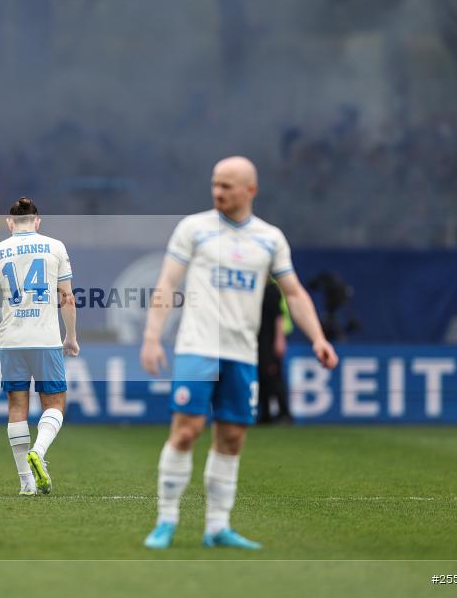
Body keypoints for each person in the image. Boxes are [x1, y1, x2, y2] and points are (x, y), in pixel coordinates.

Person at [140, 156, 338, 550]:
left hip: (242, 353)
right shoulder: (193, 229)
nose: (218, 191)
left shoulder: (269, 238)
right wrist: (151, 336)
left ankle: (217, 527)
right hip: (198, 346)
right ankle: (166, 521)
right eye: (215, 183)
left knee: (231, 437)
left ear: (251, 190)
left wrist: (317, 337)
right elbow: (166, 283)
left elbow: (294, 292)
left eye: (227, 185)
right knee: (186, 431)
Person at [0, 197, 79, 496]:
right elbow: (67, 298)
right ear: (38, 221)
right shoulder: (55, 246)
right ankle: (39, 450)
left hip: (11, 342)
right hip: (45, 339)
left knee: (16, 407)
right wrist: (71, 336)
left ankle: (26, 483)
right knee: (55, 404)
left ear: (10, 223)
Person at [257, 279, 293, 424]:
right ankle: (265, 413)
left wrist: (280, 339)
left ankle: (284, 412)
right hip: (257, 339)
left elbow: (279, 317)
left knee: (274, 376)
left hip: (270, 340)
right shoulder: (255, 289)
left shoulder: (272, 290)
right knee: (261, 377)